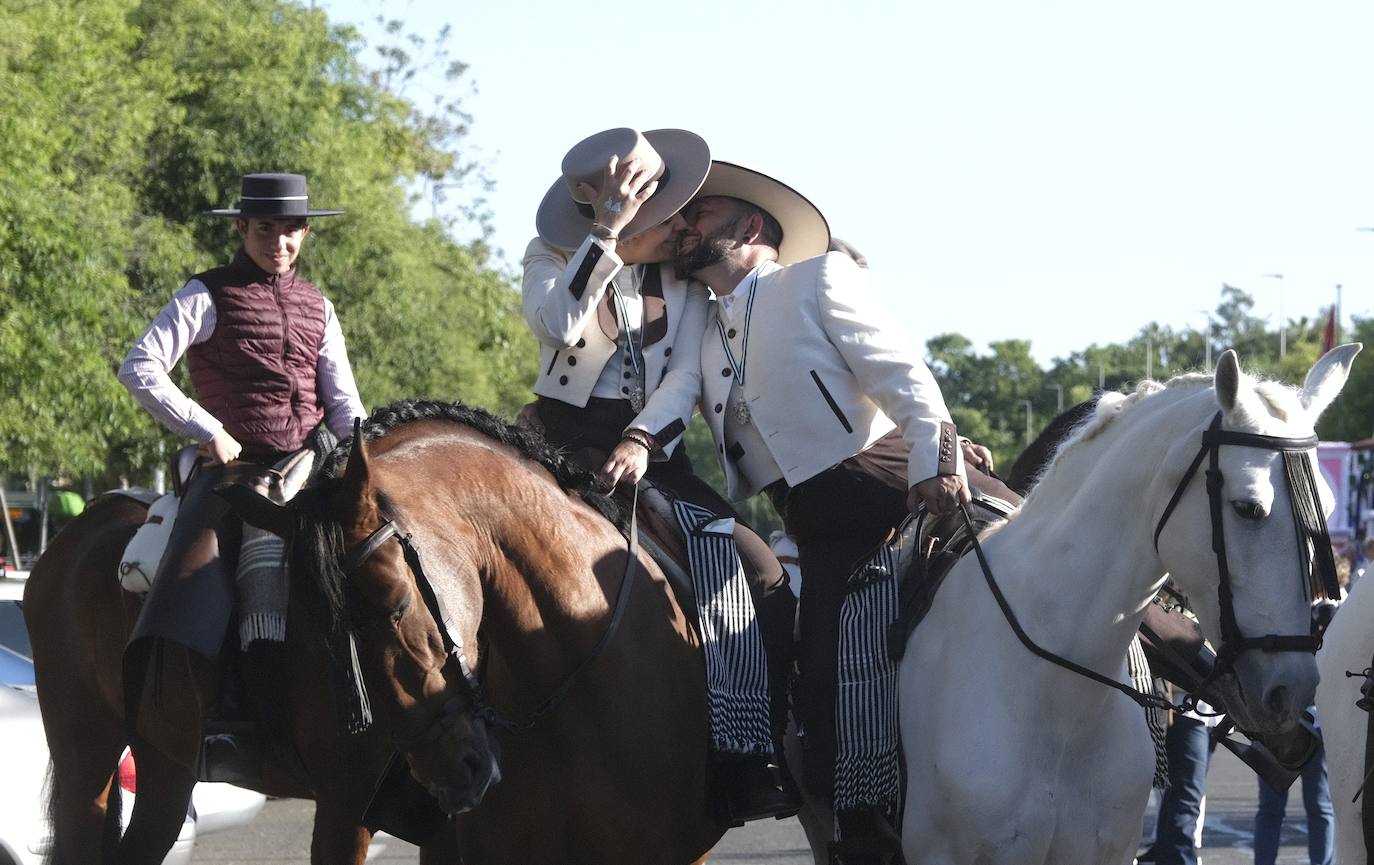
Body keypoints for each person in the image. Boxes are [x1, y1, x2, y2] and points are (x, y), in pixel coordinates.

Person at [672, 161, 1005, 855]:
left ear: (752, 226)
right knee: (819, 680)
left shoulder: (816, 277)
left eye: (702, 213)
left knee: (1035, 544)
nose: (686, 224)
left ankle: (1206, 665)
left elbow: (904, 373)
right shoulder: (700, 331)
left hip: (892, 474)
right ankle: (868, 832)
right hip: (814, 521)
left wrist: (939, 455)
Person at [522, 129, 799, 823]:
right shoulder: (552, 254)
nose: (681, 225)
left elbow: (683, 375)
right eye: (665, 212)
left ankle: (751, 749)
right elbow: (557, 325)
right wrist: (606, 240)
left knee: (759, 566)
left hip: (649, 452)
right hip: (556, 442)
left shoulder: (685, 278)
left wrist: (645, 438)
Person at [118, 172, 364, 772]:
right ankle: (224, 717)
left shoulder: (319, 306)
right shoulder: (204, 294)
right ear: (241, 229)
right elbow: (141, 366)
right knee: (208, 578)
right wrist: (210, 431)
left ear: (305, 232)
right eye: (264, 230)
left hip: (309, 466)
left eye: (289, 231)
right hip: (233, 471)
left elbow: (346, 405)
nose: (277, 242)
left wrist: (362, 456)